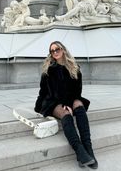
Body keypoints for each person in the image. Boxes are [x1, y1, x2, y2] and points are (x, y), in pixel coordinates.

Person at [34, 41, 98, 169]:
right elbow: (44, 91)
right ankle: (79, 151)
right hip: (53, 101)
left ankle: (88, 149)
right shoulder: (48, 70)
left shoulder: (74, 67)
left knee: (79, 105)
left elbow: (77, 91)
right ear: (51, 54)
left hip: (70, 99)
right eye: (52, 51)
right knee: (65, 113)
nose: (55, 52)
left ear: (63, 50)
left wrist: (68, 103)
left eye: (57, 49)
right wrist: (38, 106)